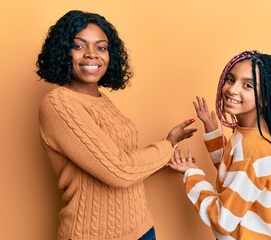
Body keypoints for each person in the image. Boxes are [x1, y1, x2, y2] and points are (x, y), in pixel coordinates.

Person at [36, 10, 197, 240]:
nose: (92, 54)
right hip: (93, 235)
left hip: (141, 227)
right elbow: (119, 171)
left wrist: (166, 155)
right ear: (63, 51)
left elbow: (122, 160)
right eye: (79, 46)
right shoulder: (58, 105)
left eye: (101, 47)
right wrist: (167, 145)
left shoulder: (103, 100)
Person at [168, 50, 271, 240]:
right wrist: (212, 131)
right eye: (230, 79)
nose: (232, 90)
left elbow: (223, 219)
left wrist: (192, 174)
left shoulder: (256, 148)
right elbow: (231, 173)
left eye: (248, 85)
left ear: (266, 98)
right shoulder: (246, 134)